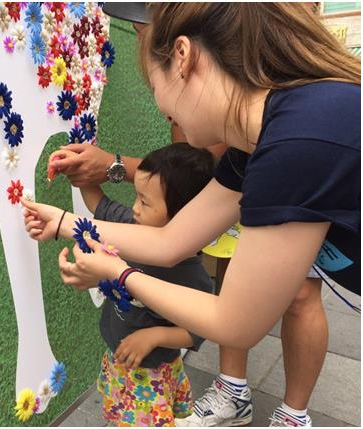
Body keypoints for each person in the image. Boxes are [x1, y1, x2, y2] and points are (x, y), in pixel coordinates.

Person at [23, 3, 360, 427]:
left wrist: (120, 274)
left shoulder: (299, 140)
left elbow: (234, 322)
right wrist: (62, 224)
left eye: (153, 81)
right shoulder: (257, 143)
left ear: (182, 57)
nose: (163, 108)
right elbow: (171, 241)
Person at [56, 144, 215, 426]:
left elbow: (197, 331)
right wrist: (76, 170)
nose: (134, 208)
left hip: (151, 371)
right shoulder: (133, 227)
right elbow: (98, 203)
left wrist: (154, 337)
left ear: (182, 217)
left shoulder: (190, 276)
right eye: (137, 197)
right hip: (121, 359)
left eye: (144, 202)